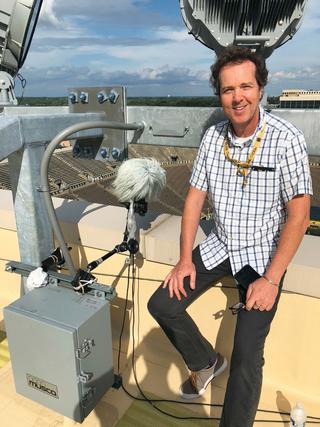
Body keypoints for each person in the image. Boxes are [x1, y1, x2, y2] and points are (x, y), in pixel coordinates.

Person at [147, 46, 313, 427]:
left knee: (246, 356)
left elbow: (299, 216)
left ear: (260, 89)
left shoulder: (285, 139)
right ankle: (205, 362)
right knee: (163, 303)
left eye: (246, 87)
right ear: (219, 95)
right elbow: (193, 199)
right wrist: (185, 257)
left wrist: (271, 279)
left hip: (263, 255)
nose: (238, 97)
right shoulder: (213, 138)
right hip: (222, 244)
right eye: (227, 90)